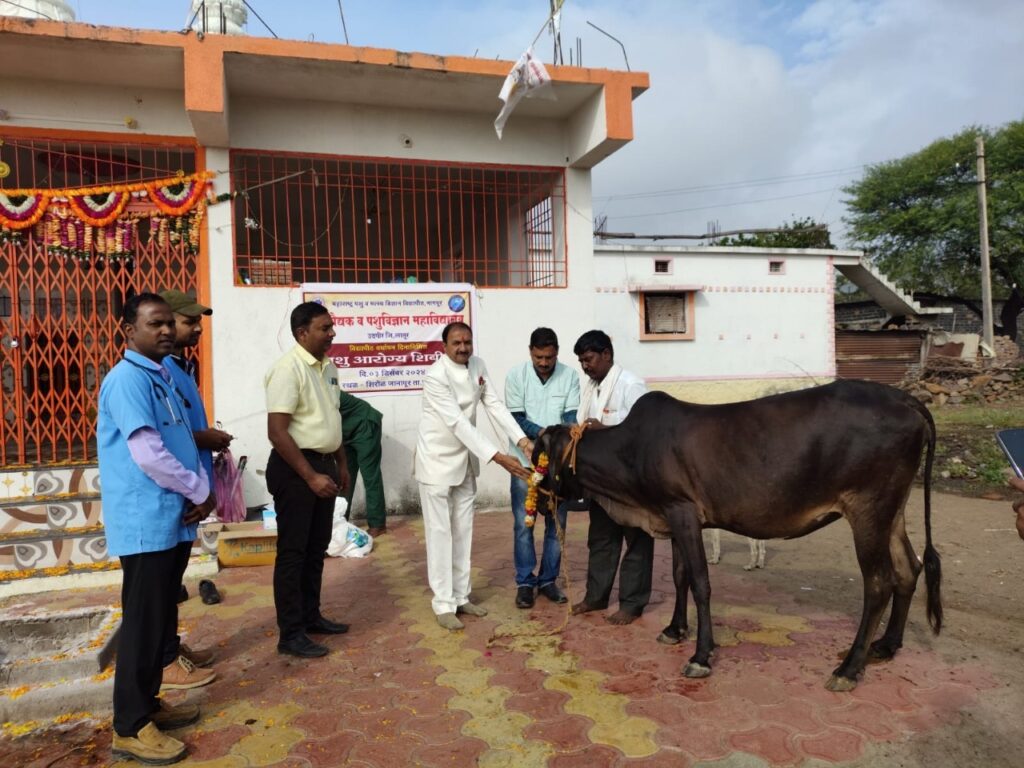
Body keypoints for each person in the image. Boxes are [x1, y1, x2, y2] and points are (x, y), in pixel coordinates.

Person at [98, 293, 217, 765]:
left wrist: (197, 489)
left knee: (156, 619)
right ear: (129, 329)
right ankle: (129, 727)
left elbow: (181, 438)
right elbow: (148, 453)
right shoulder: (127, 380)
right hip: (146, 519)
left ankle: (147, 706)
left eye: (170, 322)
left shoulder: (164, 374)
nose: (167, 330)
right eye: (155, 324)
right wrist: (198, 489)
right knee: (143, 625)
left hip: (168, 517)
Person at [415, 321, 532, 630]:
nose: (463, 348)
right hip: (437, 464)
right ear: (444, 346)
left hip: (466, 462)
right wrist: (500, 457)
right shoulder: (435, 376)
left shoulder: (477, 365)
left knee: (464, 530)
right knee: (440, 534)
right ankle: (443, 604)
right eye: (456, 343)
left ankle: (462, 596)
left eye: (467, 342)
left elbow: (494, 404)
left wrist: (522, 441)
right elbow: (457, 424)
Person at [265, 302, 351, 659]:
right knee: (293, 553)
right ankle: (291, 633)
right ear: (302, 333)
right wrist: (312, 476)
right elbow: (277, 432)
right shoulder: (288, 369)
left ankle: (311, 616)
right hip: (297, 470)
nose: (332, 333)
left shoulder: (328, 368)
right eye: (324, 328)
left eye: (331, 327)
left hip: (325, 466)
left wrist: (341, 464)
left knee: (317, 549)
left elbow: (333, 418)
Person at [158, 289, 233, 687]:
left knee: (175, 580)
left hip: (191, 488)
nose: (197, 329)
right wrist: (205, 438)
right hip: (177, 492)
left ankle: (173, 649)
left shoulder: (180, 367)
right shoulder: (163, 371)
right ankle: (166, 658)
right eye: (189, 322)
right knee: (165, 583)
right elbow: (166, 437)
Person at [570, 330, 654, 625]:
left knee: (637, 542)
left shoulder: (631, 385)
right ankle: (596, 597)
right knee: (601, 540)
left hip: (630, 481)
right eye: (581, 361)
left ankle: (632, 603)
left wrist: (603, 427)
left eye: (589, 359)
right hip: (600, 480)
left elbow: (644, 430)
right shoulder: (590, 386)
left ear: (606, 354)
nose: (585, 366)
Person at [505, 327, 580, 609]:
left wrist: (571, 430)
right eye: (539, 357)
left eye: (549, 357)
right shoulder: (516, 376)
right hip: (525, 464)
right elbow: (515, 418)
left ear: (557, 353)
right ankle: (525, 583)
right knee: (524, 526)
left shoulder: (570, 376)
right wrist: (546, 434)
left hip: (558, 466)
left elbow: (570, 415)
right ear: (530, 352)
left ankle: (549, 580)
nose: (544, 362)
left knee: (556, 525)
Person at [339, 390, 387, 536]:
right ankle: (339, 521)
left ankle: (378, 524)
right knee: (344, 476)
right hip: (345, 432)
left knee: (370, 475)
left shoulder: (321, 391)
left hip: (364, 425)